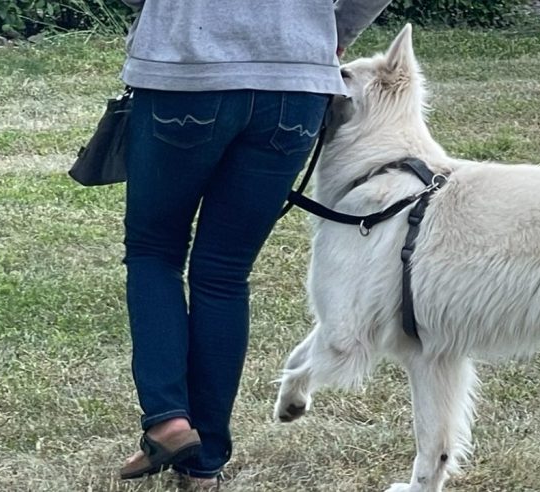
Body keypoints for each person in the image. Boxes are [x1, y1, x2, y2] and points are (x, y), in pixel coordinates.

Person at [112, 0, 395, 489]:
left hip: (185, 67)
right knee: (224, 272)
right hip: (296, 80)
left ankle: (169, 420)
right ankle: (203, 463)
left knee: (154, 252)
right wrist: (331, 31)